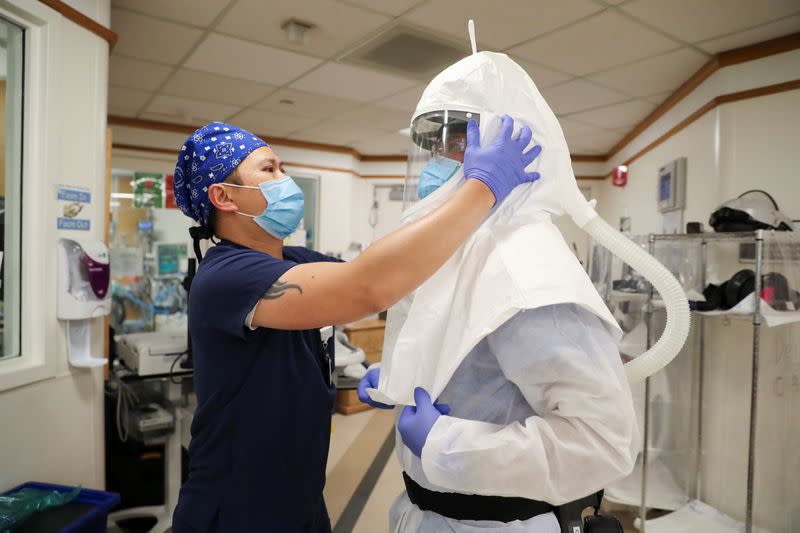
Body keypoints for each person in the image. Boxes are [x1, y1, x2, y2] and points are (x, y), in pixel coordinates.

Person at [169, 118, 542, 533]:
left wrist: (394, 372)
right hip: (237, 506)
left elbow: (396, 276)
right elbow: (368, 288)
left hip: (300, 494)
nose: (285, 179)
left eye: (283, 168)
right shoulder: (226, 276)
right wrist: (481, 188)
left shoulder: (293, 260)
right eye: (269, 169)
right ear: (223, 195)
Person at [358, 52, 638, 532]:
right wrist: (405, 373)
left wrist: (445, 443)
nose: (442, 161)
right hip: (426, 511)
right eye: (438, 145)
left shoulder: (527, 266)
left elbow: (602, 443)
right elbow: (473, 359)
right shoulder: (464, 249)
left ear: (516, 150)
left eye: (461, 141)